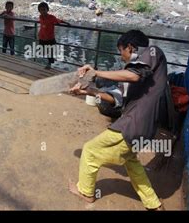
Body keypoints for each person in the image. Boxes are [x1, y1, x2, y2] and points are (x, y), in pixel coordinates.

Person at [68, 30, 166, 211]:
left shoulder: (152, 52)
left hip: (132, 125)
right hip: (143, 128)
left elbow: (134, 75)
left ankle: (86, 192)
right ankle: (153, 204)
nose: (121, 57)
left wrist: (96, 72)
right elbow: (116, 98)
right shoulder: (134, 72)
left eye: (122, 51)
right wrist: (88, 92)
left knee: (90, 151)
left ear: (131, 47)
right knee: (131, 162)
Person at [37, 2, 70, 69]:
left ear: (47, 9)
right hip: (42, 37)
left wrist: (66, 23)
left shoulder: (52, 17)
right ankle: (51, 59)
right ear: (39, 11)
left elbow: (59, 21)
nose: (42, 11)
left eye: (44, 9)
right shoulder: (40, 17)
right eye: (41, 10)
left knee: (49, 51)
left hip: (50, 38)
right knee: (43, 51)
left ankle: (49, 63)